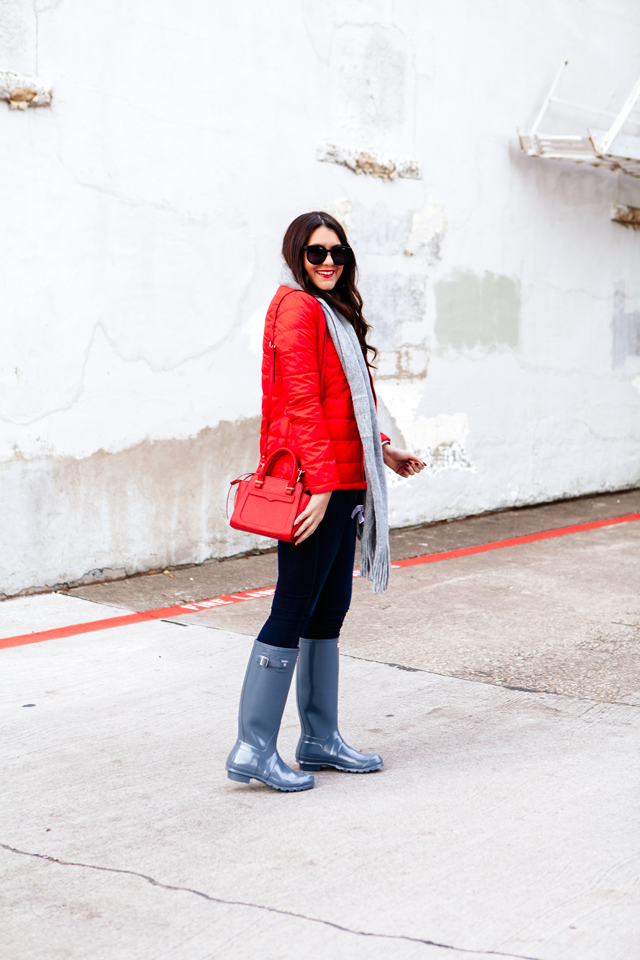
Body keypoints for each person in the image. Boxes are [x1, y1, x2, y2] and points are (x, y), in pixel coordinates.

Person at [226, 211, 425, 792]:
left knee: (329, 605)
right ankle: (253, 746)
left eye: (337, 252)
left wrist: (381, 451)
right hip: (323, 487)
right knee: (293, 605)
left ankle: (318, 739)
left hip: (345, 480)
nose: (329, 262)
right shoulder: (296, 309)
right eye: (316, 253)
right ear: (297, 256)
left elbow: (347, 405)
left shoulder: (331, 312)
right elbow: (302, 405)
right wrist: (318, 485)